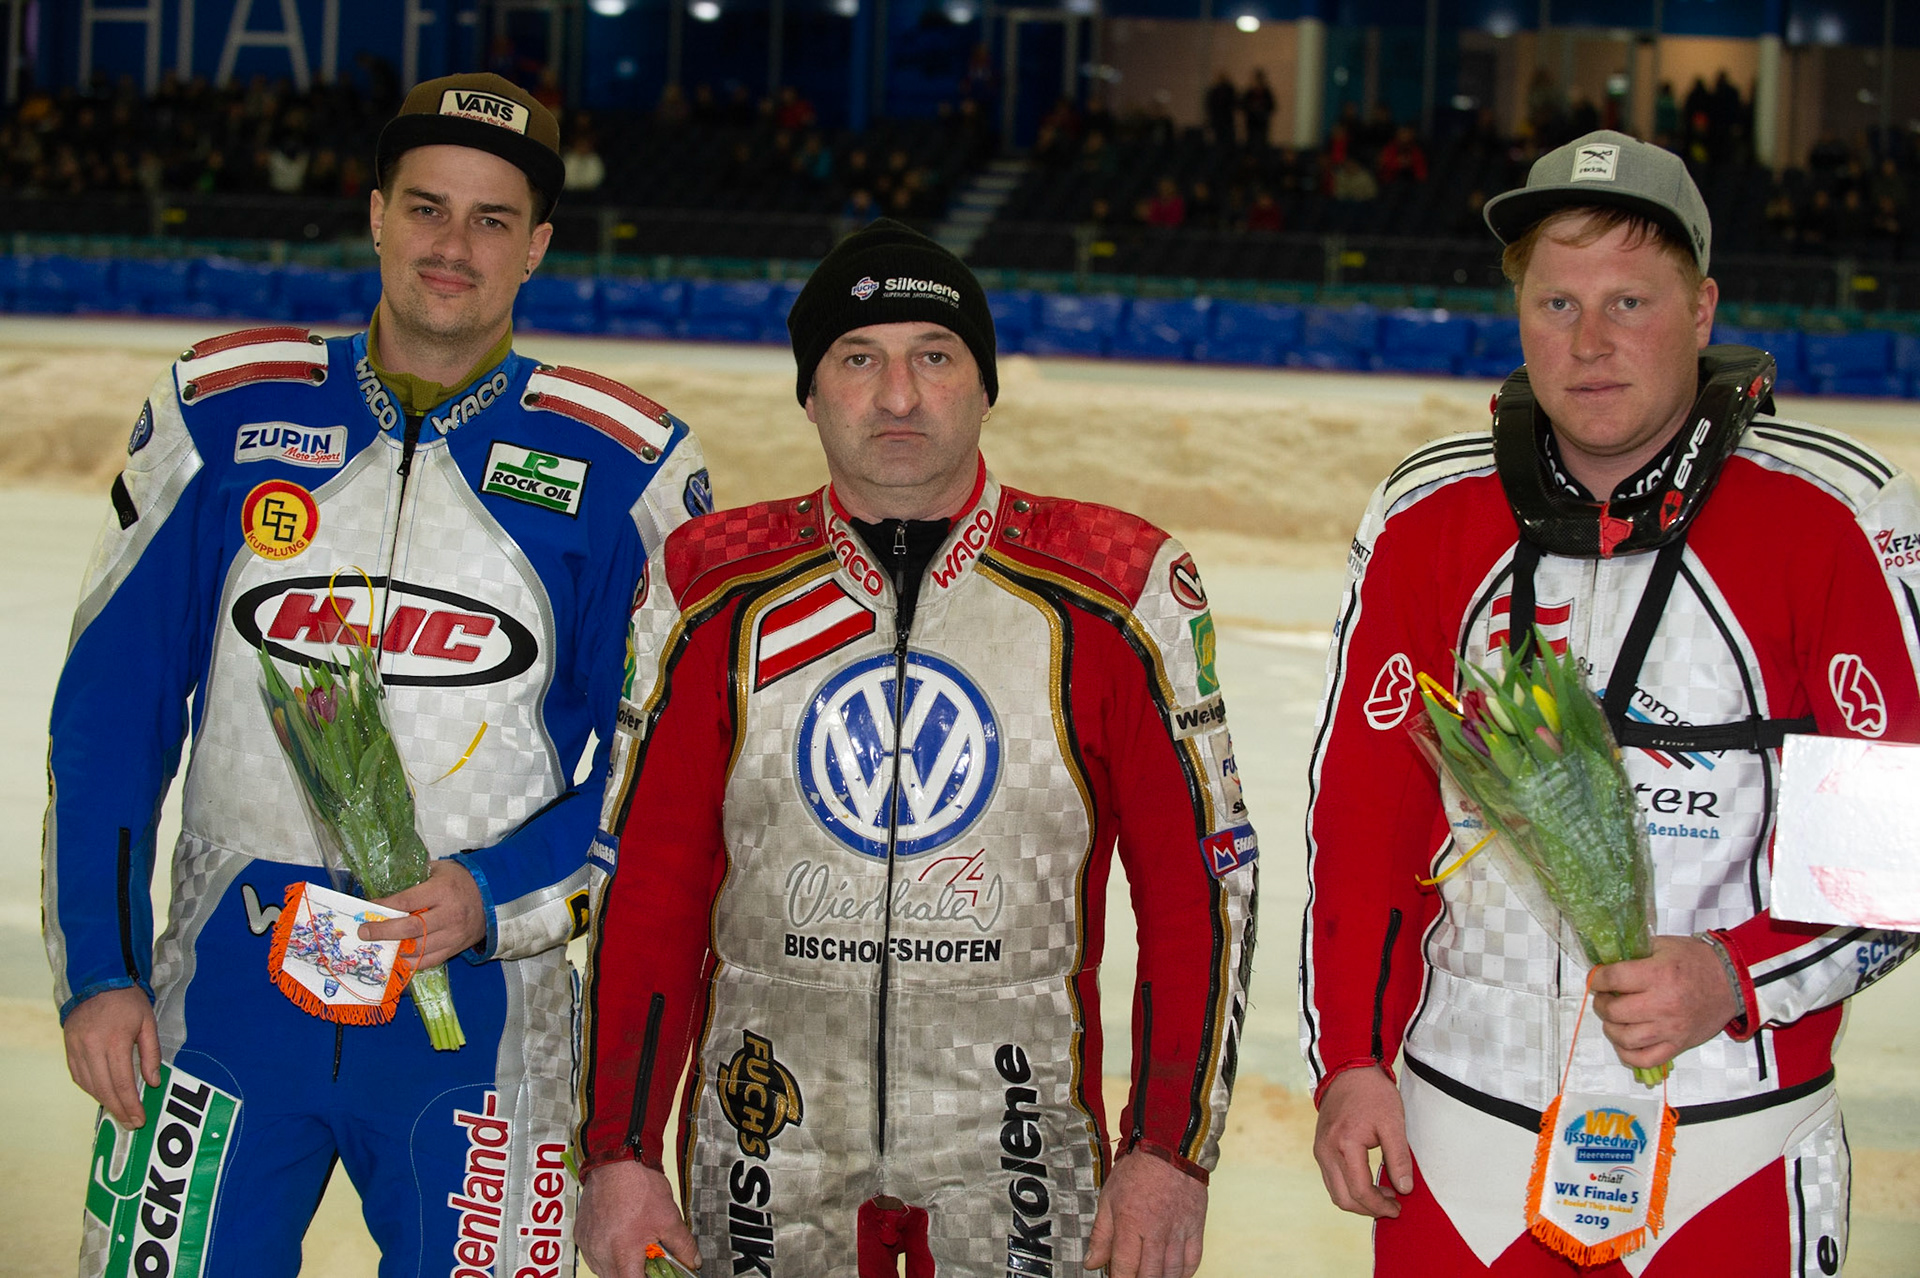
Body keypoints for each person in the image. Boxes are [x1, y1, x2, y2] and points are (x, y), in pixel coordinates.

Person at [44, 72, 709, 1277]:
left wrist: (499, 894)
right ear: (374, 214)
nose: (452, 246)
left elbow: (656, 773)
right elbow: (109, 715)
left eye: (491, 220)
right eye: (426, 207)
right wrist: (100, 970)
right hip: (224, 993)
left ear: (539, 246)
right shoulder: (221, 408)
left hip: (483, 1010)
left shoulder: (631, 466)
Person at [573, 218, 1258, 1278]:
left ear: (986, 386)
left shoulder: (1117, 588)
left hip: (1023, 1164)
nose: (898, 397)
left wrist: (1171, 1151)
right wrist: (617, 1152)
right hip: (765, 1153)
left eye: (934, 358)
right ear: (809, 393)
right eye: (859, 360)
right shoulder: (709, 585)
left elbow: (1199, 891)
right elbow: (648, 888)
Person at [1303, 129, 1920, 1274]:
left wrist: (1738, 974)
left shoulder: (1837, 519)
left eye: (1630, 301)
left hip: (1728, 1145)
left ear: (1703, 310)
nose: (1589, 344)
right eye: (1556, 305)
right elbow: (1363, 824)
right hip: (1457, 1141)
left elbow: (1898, 859)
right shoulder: (1423, 518)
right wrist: (1349, 1060)